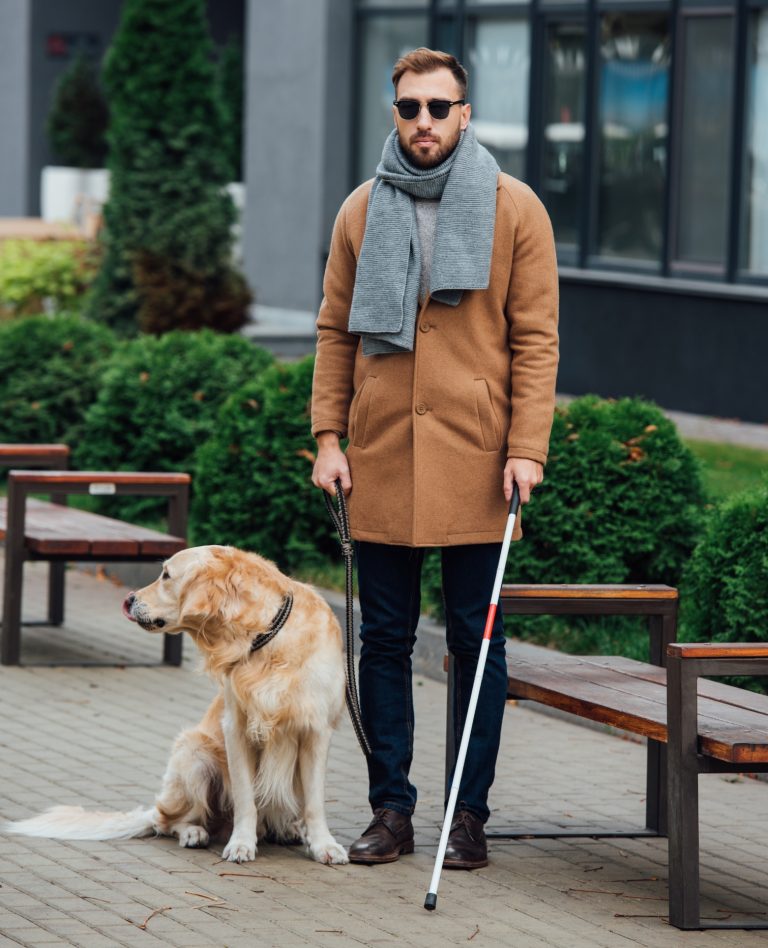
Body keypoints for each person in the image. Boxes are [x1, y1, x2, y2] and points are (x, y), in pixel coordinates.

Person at [311, 47, 559, 869]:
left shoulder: (514, 207)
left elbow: (536, 340)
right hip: (380, 454)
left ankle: (467, 815)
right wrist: (327, 439)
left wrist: (527, 449)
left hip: (481, 461)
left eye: (439, 108)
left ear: (465, 113)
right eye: (410, 107)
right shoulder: (359, 209)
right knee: (381, 640)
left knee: (473, 642)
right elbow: (332, 332)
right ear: (395, 112)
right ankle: (392, 811)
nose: (424, 122)